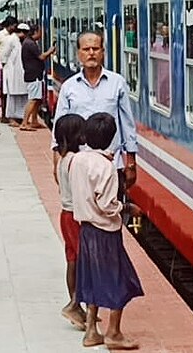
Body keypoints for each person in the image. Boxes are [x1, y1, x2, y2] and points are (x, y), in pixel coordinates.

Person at [71, 112, 144, 349]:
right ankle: (113, 332)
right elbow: (107, 205)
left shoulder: (77, 160)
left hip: (86, 230)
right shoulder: (106, 167)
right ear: (112, 138)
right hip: (105, 232)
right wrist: (127, 208)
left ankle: (91, 330)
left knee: (92, 280)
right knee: (120, 280)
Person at [52, 32, 139, 197]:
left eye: (95, 49)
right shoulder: (69, 87)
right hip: (78, 164)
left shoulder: (117, 83)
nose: (91, 53)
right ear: (78, 53)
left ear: (103, 52)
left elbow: (127, 124)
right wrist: (57, 162)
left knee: (112, 207)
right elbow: (60, 127)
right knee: (81, 209)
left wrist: (131, 161)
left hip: (112, 164)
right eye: (86, 49)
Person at [54, 114, 88, 330]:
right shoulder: (76, 161)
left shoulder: (63, 159)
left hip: (65, 215)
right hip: (76, 217)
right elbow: (81, 192)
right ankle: (74, 304)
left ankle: (76, 304)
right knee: (84, 260)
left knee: (72, 259)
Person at [21, 24, 57, 131]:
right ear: (35, 32)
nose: (41, 34)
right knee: (33, 99)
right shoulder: (30, 44)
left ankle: (34, 120)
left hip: (34, 74)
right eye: (40, 32)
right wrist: (51, 51)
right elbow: (41, 57)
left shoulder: (28, 42)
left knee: (37, 99)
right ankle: (24, 122)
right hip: (34, 75)